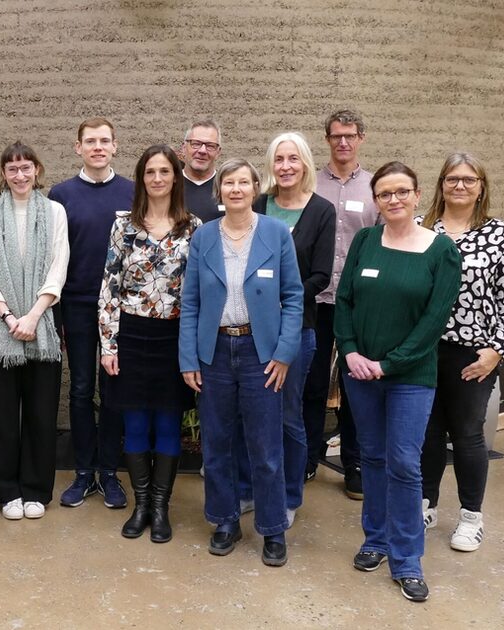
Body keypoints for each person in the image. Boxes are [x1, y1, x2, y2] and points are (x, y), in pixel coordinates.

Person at [335, 161, 460, 602]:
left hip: (409, 377)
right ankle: (376, 540)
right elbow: (344, 299)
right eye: (385, 193)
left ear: (417, 194)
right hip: (359, 372)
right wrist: (350, 350)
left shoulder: (441, 251)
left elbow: (433, 322)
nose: (393, 200)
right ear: (376, 200)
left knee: (404, 463)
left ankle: (407, 559)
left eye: (401, 191)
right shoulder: (366, 240)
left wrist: (389, 364)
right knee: (371, 456)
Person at [179, 158, 303, 567]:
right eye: (228, 183)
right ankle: (224, 521)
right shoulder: (204, 238)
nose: (235, 189)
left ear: (255, 189)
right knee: (216, 444)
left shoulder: (275, 233)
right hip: (214, 351)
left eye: (243, 183)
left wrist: (284, 353)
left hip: (260, 354)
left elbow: (293, 297)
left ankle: (272, 529)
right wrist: (188, 359)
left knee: (266, 448)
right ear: (220, 191)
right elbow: (192, 301)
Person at [98, 144, 200, 542]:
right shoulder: (124, 224)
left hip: (174, 337)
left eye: (165, 171)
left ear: (176, 176)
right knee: (136, 422)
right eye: (150, 172)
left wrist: (194, 351)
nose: (157, 178)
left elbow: (199, 293)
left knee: (168, 423)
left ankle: (161, 508)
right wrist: (109, 346)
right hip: (131, 334)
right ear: (141, 178)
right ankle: (140, 505)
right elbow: (109, 286)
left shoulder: (193, 226)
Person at [237, 132, 335, 525]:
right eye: (279, 159)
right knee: (250, 414)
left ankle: (289, 495)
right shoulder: (259, 205)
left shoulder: (321, 211)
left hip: (296, 329)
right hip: (250, 332)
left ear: (305, 163)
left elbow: (321, 276)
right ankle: (249, 490)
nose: (286, 166)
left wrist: (281, 300)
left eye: (293, 158)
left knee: (288, 416)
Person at [0, 141, 69, 521]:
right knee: (1, 413)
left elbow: (59, 265)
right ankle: (6, 490)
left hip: (43, 322)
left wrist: (33, 315)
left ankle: (35, 490)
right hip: (1, 326)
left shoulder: (56, 212)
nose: (20, 175)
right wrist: (10, 316)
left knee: (42, 414)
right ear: (3, 174)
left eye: (26, 167)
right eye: (12, 169)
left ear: (37, 170)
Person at [419, 153, 504, 552]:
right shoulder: (423, 230)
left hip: (474, 353)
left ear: (481, 187)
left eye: (469, 180)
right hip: (424, 350)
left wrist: (496, 351)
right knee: (429, 432)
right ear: (441, 185)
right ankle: (426, 505)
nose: (460, 186)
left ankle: (472, 517)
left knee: (469, 435)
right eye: (452, 179)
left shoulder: (498, 235)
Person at [49, 117, 134, 510]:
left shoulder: (133, 194)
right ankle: (84, 474)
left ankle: (110, 473)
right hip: (78, 305)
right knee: (81, 390)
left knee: (114, 391)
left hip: (122, 309)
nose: (98, 147)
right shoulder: (61, 195)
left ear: (115, 146)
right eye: (90, 141)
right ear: (77, 147)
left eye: (105, 141)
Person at [305, 110, 380, 497]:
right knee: (312, 383)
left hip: (357, 302)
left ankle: (353, 462)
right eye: (336, 136)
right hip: (316, 300)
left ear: (361, 138)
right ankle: (308, 456)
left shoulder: (375, 188)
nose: (343, 142)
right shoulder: (310, 184)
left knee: (355, 385)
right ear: (328, 139)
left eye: (350, 135)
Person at [180, 119, 223, 223]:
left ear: (218, 152)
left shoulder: (227, 187)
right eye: (196, 143)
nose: (202, 151)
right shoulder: (169, 185)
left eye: (210, 146)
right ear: (184, 148)